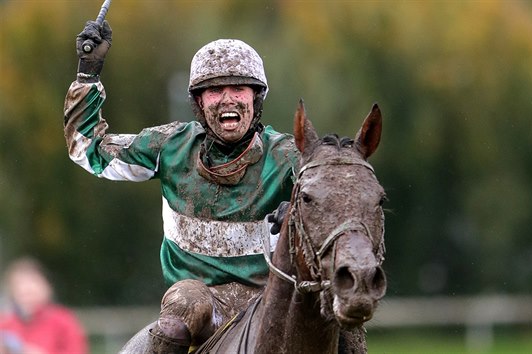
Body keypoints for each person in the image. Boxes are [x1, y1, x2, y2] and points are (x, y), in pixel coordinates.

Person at [65, 20, 366, 354]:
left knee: (345, 328)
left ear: (256, 97)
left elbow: (336, 197)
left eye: (238, 89)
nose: (227, 100)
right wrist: (88, 75)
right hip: (200, 302)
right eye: (214, 91)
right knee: (183, 307)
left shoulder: (288, 156)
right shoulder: (170, 146)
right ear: (199, 101)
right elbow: (87, 148)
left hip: (276, 301)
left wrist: (302, 210)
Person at [0, 257, 88, 354]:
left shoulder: (63, 320)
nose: (26, 289)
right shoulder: (5, 324)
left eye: (32, 282)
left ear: (46, 286)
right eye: (19, 285)